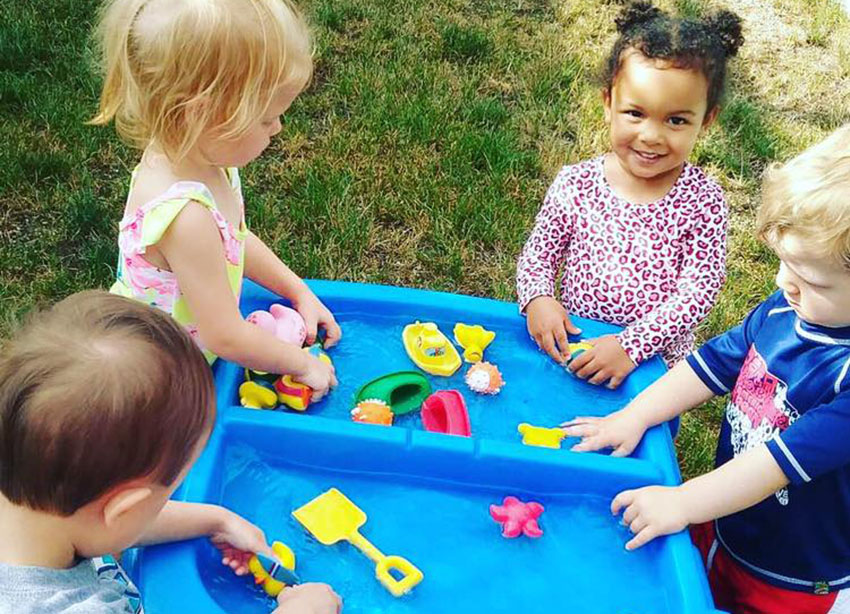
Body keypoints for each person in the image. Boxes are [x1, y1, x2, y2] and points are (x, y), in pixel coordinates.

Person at [564, 125, 850, 612]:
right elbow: (710, 364)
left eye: (810, 280)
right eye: (783, 263)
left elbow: (776, 464)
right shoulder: (786, 308)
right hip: (725, 521)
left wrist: (681, 501)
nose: (786, 284)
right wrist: (635, 415)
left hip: (794, 580)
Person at [0, 291, 341, 614]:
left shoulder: (36, 506)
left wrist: (217, 520)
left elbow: (103, 517)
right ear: (123, 509)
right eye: (161, 500)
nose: (161, 507)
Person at [91, 0, 338, 403]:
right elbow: (224, 335)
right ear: (202, 114)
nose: (278, 128)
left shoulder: (199, 159)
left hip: (191, 350)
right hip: (157, 373)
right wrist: (301, 363)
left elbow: (233, 241)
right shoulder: (185, 216)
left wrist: (297, 289)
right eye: (265, 119)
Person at [517, 1, 743, 388]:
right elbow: (539, 254)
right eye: (635, 113)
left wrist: (632, 345)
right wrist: (537, 298)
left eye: (676, 120)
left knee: (639, 443)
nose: (651, 136)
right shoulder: (577, 183)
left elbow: (700, 289)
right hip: (575, 348)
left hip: (653, 367)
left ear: (706, 120)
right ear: (609, 103)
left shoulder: (703, 199)